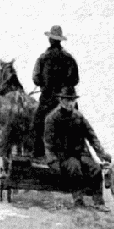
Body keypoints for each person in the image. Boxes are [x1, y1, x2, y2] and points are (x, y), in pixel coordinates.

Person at [44, 86, 111, 211]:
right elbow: (48, 143)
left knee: (95, 169)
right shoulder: (52, 118)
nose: (70, 103)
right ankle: (78, 200)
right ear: (61, 100)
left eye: (72, 100)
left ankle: (98, 202)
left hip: (81, 153)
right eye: (67, 100)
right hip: (64, 155)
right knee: (75, 168)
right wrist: (52, 160)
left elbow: (91, 136)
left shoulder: (78, 117)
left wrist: (101, 153)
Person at [32, 25, 79, 159]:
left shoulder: (43, 58)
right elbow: (75, 80)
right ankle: (73, 153)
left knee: (37, 123)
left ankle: (38, 153)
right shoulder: (69, 59)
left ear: (50, 40)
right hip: (65, 100)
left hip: (47, 100)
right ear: (60, 41)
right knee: (76, 125)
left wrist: (45, 83)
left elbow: (36, 79)